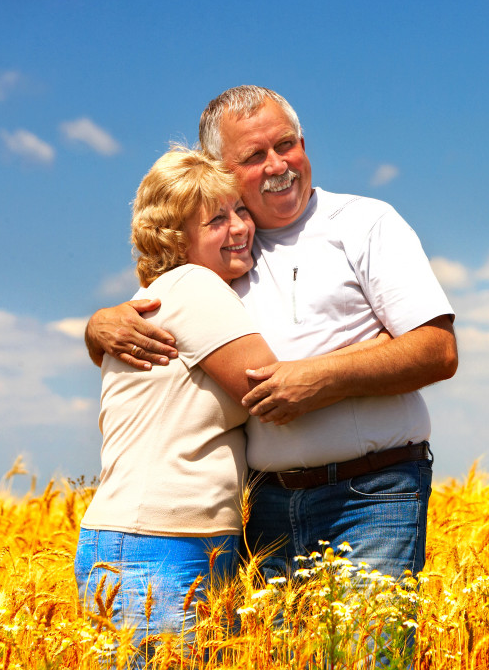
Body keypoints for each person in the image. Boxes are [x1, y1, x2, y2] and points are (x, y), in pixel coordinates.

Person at [85, 86, 458, 586]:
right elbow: (147, 323)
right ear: (219, 168)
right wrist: (97, 326)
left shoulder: (364, 222)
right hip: (265, 511)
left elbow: (437, 349)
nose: (278, 164)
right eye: (254, 156)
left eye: (286, 145)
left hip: (371, 497)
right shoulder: (217, 252)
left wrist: (319, 377)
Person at [74, 146, 274, 665]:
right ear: (175, 239)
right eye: (216, 220)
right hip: (158, 544)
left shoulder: (167, 294)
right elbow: (272, 388)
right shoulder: (193, 285)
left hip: (161, 542)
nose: (240, 228)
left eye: (241, 211)